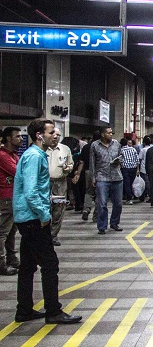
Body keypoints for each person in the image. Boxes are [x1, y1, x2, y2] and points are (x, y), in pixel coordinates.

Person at [13, 118, 81, 324]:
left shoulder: (34, 155)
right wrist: (44, 215)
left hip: (27, 217)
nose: (56, 136)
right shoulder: (35, 157)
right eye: (51, 132)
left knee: (27, 265)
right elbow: (31, 191)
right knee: (50, 264)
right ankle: (53, 311)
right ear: (39, 135)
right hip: (33, 219)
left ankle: (24, 310)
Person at [89, 126, 123, 235]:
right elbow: (92, 163)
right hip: (102, 177)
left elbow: (121, 157)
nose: (111, 135)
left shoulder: (116, 144)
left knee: (118, 203)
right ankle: (102, 226)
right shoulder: (95, 145)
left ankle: (114, 223)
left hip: (116, 177)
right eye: (109, 133)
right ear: (103, 134)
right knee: (102, 204)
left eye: (112, 133)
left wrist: (119, 161)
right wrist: (93, 178)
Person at [45, 128, 73, 246]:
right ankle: (45, 235)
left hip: (60, 182)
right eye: (53, 134)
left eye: (58, 135)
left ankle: (53, 235)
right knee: (45, 208)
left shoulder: (65, 149)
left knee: (59, 209)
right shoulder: (43, 149)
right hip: (45, 182)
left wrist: (68, 168)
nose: (56, 137)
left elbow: (71, 164)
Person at [0, 127, 21, 275]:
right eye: (17, 136)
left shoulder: (13, 155)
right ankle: (1, 263)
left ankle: (12, 258)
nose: (21, 138)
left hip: (13, 196)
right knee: (3, 232)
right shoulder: (3, 155)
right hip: (6, 197)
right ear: (8, 138)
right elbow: (18, 172)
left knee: (12, 230)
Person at [78, 131, 100, 222]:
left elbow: (81, 161)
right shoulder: (100, 147)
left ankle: (86, 209)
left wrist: (78, 173)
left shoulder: (86, 147)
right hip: (100, 172)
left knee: (89, 192)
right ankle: (96, 215)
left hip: (88, 172)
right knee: (100, 193)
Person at [119, 138, 139, 205]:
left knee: (126, 183)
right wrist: (138, 169)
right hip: (133, 168)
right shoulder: (133, 149)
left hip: (125, 168)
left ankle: (129, 198)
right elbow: (137, 160)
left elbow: (120, 160)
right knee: (131, 183)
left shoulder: (121, 150)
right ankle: (131, 195)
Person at [137, 136, 152, 203]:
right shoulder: (151, 148)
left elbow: (139, 159)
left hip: (143, 168)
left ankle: (143, 196)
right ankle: (149, 196)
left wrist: (138, 169)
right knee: (149, 183)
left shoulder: (143, 150)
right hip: (151, 168)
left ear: (144, 143)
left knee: (144, 183)